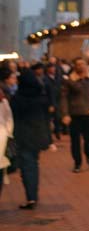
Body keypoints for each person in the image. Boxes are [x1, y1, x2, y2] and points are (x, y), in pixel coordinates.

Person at [11, 69, 51, 209]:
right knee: (33, 164)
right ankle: (33, 195)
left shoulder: (17, 98)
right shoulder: (41, 97)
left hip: (23, 135)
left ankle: (31, 197)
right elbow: (46, 118)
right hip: (38, 134)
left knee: (27, 166)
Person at [60, 57, 89, 173]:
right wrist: (65, 113)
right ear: (74, 66)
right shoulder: (69, 81)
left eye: (82, 64)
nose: (80, 66)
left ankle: (88, 153)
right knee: (75, 141)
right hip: (75, 114)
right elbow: (64, 98)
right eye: (78, 64)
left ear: (86, 66)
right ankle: (77, 163)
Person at [0, 68, 15, 201]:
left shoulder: (2, 100)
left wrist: (8, 134)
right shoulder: (3, 100)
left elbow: (8, 119)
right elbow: (9, 119)